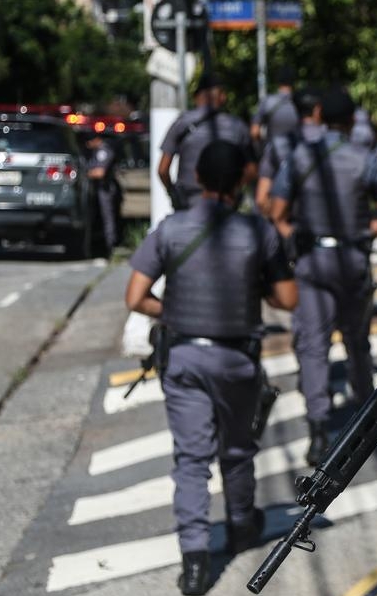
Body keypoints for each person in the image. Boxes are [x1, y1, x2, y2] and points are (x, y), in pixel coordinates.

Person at [125, 140, 297, 595]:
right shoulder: (258, 232)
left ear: (197, 178)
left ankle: (196, 562)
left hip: (183, 358)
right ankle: (242, 524)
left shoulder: (170, 229)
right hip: (237, 359)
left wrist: (176, 312)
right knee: (237, 449)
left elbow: (136, 297)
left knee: (191, 459)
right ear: (242, 178)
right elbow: (288, 299)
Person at [270, 87, 377, 466]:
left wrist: (297, 236)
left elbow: (276, 214)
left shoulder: (298, 157)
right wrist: (359, 228)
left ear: (321, 114)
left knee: (313, 345)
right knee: (357, 341)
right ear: (351, 120)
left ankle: (316, 429)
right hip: (353, 260)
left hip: (312, 261)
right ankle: (365, 416)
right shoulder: (368, 160)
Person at [158, 72, 256, 211]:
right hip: (226, 202)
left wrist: (173, 194)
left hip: (188, 202)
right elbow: (252, 170)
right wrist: (236, 190)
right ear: (221, 96)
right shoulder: (237, 126)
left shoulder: (181, 123)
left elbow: (162, 170)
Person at [255, 86, 323, 217]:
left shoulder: (277, 145)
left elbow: (261, 200)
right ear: (318, 110)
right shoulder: (332, 143)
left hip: (291, 225)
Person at [84, 133, 123, 253]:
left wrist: (85, 174)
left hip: (106, 189)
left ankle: (110, 246)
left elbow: (100, 172)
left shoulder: (103, 151)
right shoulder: (98, 151)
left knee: (108, 219)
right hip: (101, 189)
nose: (88, 144)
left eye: (89, 140)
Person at [250, 66, 300, 152]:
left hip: (272, 155)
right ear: (293, 82)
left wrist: (262, 150)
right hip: (295, 156)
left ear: (278, 82)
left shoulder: (267, 102)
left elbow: (255, 132)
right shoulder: (299, 103)